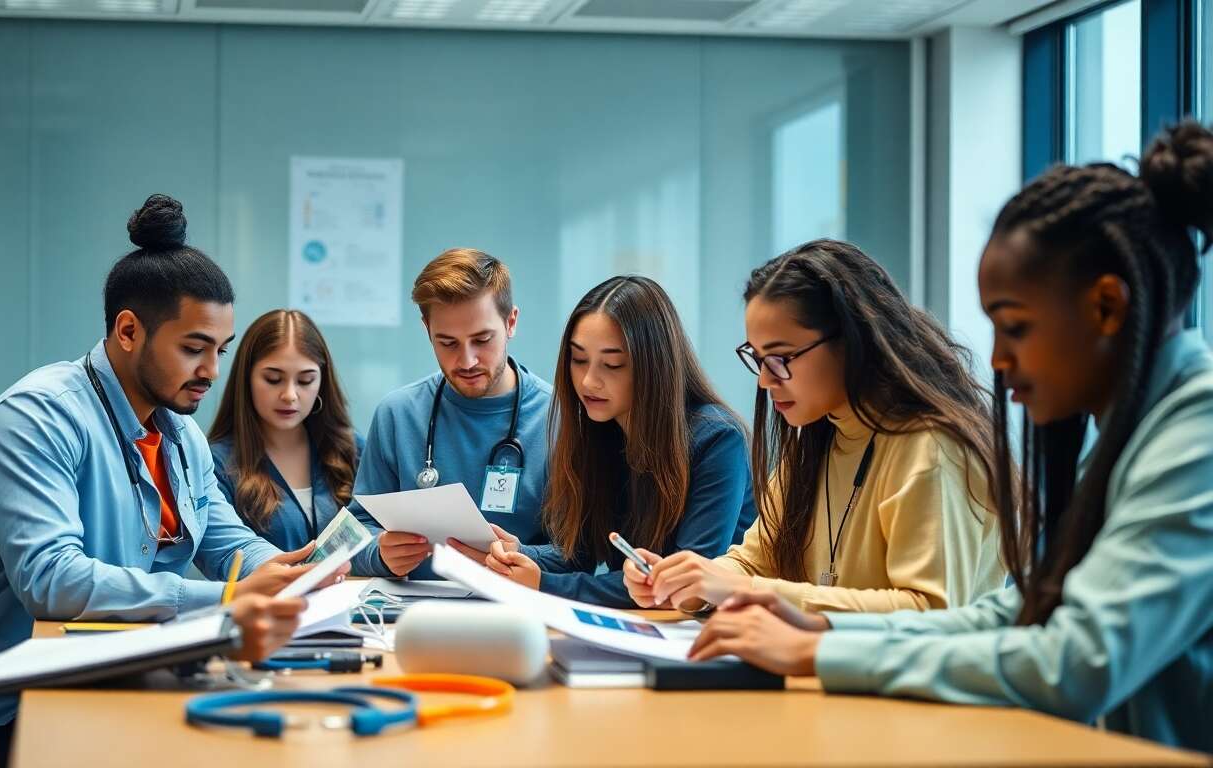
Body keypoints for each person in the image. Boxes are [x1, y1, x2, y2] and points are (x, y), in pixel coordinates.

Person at [688, 121, 1213, 754]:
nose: (996, 359)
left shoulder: (1197, 435)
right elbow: (1016, 612)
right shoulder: (1128, 435)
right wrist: (824, 638)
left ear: (1106, 307)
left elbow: (1076, 661)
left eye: (1014, 328)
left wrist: (822, 653)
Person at [0, 194, 344, 768]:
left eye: (220, 351)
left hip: (85, 682)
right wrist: (227, 599)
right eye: (193, 349)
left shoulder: (178, 434)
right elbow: (51, 581)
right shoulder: (37, 418)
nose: (212, 374)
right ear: (127, 331)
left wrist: (289, 577)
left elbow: (229, 544)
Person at [624, 240, 1006, 614]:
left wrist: (746, 591)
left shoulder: (931, 448)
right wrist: (694, 585)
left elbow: (927, 610)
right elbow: (753, 562)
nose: (764, 381)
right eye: (758, 359)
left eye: (781, 358)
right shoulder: (819, 436)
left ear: (853, 339)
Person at [483, 276, 754, 607]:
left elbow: (684, 586)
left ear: (653, 366)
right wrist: (519, 554)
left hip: (704, 631)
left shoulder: (718, 439)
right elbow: (578, 555)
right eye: (578, 359)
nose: (588, 381)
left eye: (612, 364)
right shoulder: (601, 431)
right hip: (642, 626)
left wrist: (544, 585)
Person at [348, 248, 553, 579]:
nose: (467, 361)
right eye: (448, 343)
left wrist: (525, 556)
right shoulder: (398, 415)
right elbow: (355, 534)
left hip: (515, 613)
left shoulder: (559, 419)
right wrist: (380, 553)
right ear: (426, 328)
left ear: (511, 322)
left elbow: (581, 554)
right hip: (411, 616)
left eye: (482, 339)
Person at [209, 309, 364, 550]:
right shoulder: (216, 464)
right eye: (273, 379)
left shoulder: (352, 449)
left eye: (305, 381)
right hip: (260, 589)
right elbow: (221, 556)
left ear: (322, 383)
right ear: (246, 378)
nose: (290, 395)